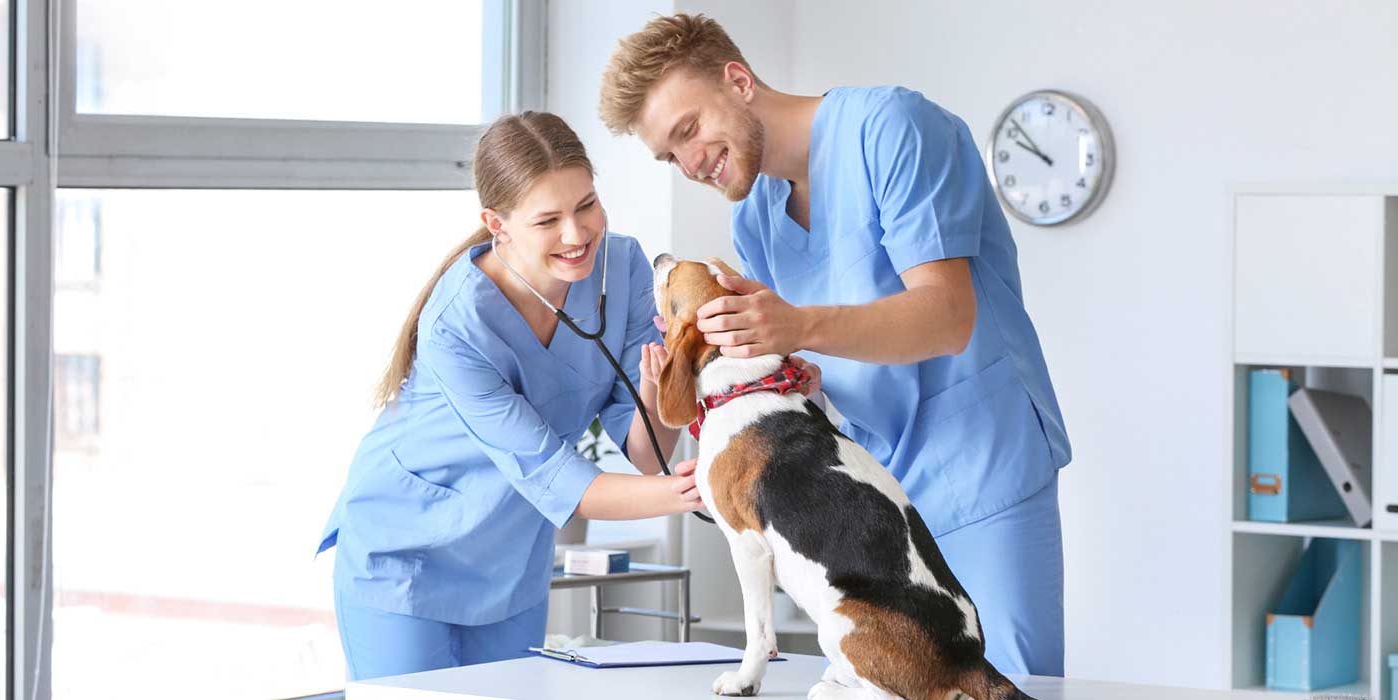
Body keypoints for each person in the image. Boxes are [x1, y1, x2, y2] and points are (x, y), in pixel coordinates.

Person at [599, 14, 1072, 676]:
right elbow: (805, 358)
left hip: (978, 466)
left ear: (737, 80)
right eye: (669, 156)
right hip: (869, 492)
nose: (690, 163)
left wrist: (795, 327)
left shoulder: (893, 129)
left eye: (689, 130)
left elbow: (946, 316)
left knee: (1005, 685)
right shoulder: (756, 215)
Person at [316, 111, 703, 681]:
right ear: (496, 223)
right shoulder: (457, 322)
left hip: (511, 558)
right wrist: (703, 489)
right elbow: (554, 475)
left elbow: (649, 453)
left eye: (586, 205)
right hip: (406, 553)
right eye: (547, 220)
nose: (577, 235)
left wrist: (654, 388)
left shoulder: (620, 268)